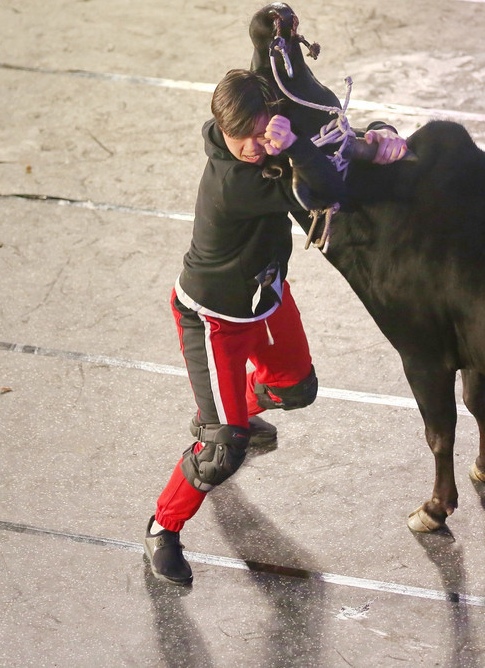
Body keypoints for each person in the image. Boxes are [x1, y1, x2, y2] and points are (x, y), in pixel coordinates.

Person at [145, 69, 407, 584]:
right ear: (221, 128)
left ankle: (228, 415)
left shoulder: (261, 139)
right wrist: (357, 144)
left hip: (266, 297)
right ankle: (163, 527)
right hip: (213, 319)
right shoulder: (236, 183)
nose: (252, 147)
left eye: (259, 131)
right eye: (240, 137)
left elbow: (287, 104)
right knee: (222, 451)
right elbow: (325, 190)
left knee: (295, 387)